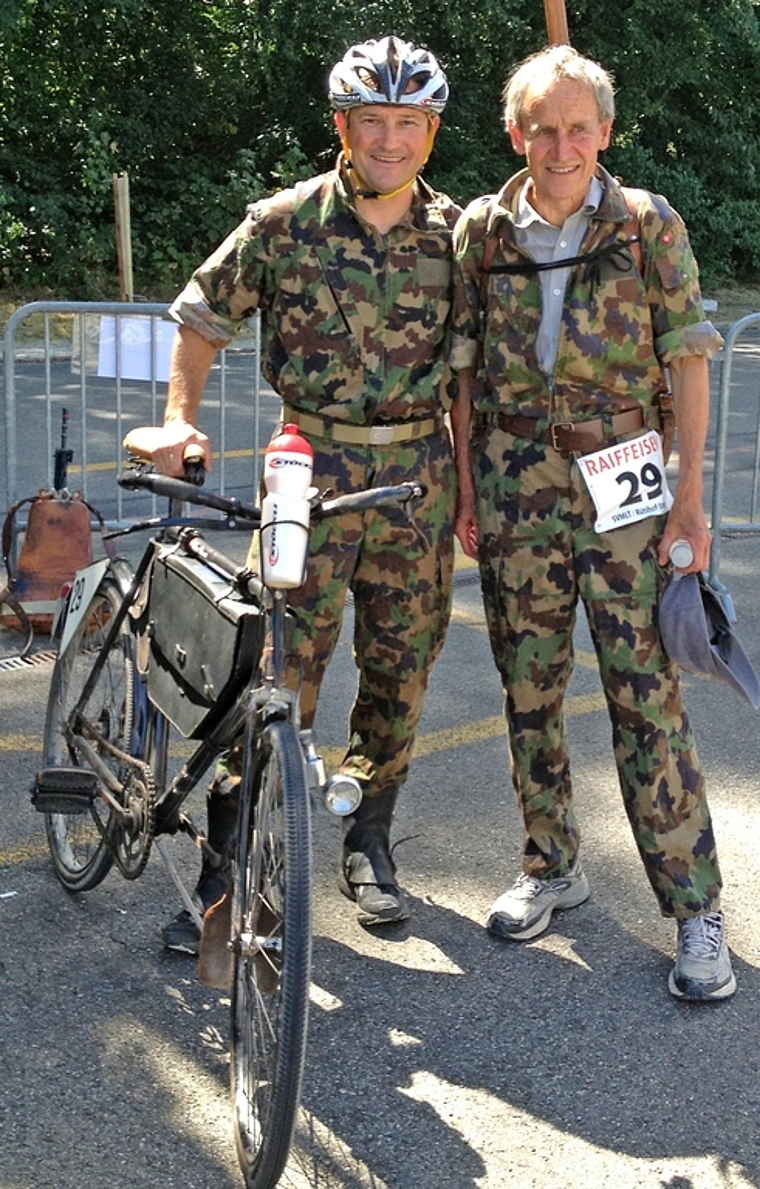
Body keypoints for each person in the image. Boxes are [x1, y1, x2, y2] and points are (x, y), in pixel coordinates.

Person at [147, 36, 460, 950]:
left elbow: (474, 373)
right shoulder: (284, 222)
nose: (390, 140)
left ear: (430, 134)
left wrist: (472, 488)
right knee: (273, 674)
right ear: (343, 126)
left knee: (401, 670)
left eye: (409, 123)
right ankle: (225, 877)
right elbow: (201, 314)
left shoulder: (455, 237)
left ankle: (368, 840)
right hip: (306, 472)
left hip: (416, 479)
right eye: (374, 121)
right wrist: (178, 416)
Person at [449, 44, 734, 1001]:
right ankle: (550, 861)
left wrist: (690, 496)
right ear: (515, 133)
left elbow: (690, 359)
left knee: (644, 693)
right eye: (543, 127)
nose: (561, 145)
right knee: (527, 686)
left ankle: (694, 903)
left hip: (627, 481)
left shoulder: (649, 224)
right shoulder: (481, 232)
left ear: (605, 133)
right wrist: (463, 483)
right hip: (515, 474)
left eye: (579, 127)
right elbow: (462, 372)